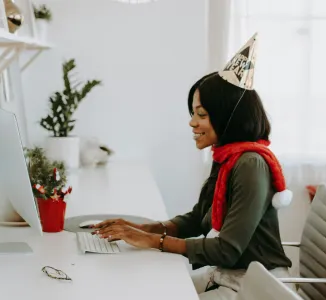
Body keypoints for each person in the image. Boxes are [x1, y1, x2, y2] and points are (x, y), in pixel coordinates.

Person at [93, 33, 293, 300]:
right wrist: (143, 229)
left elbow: (227, 250)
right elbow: (199, 217)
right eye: (193, 114)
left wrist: (154, 241)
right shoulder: (227, 156)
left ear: (226, 118)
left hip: (256, 287)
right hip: (228, 275)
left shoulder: (250, 164)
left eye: (201, 115)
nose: (192, 123)